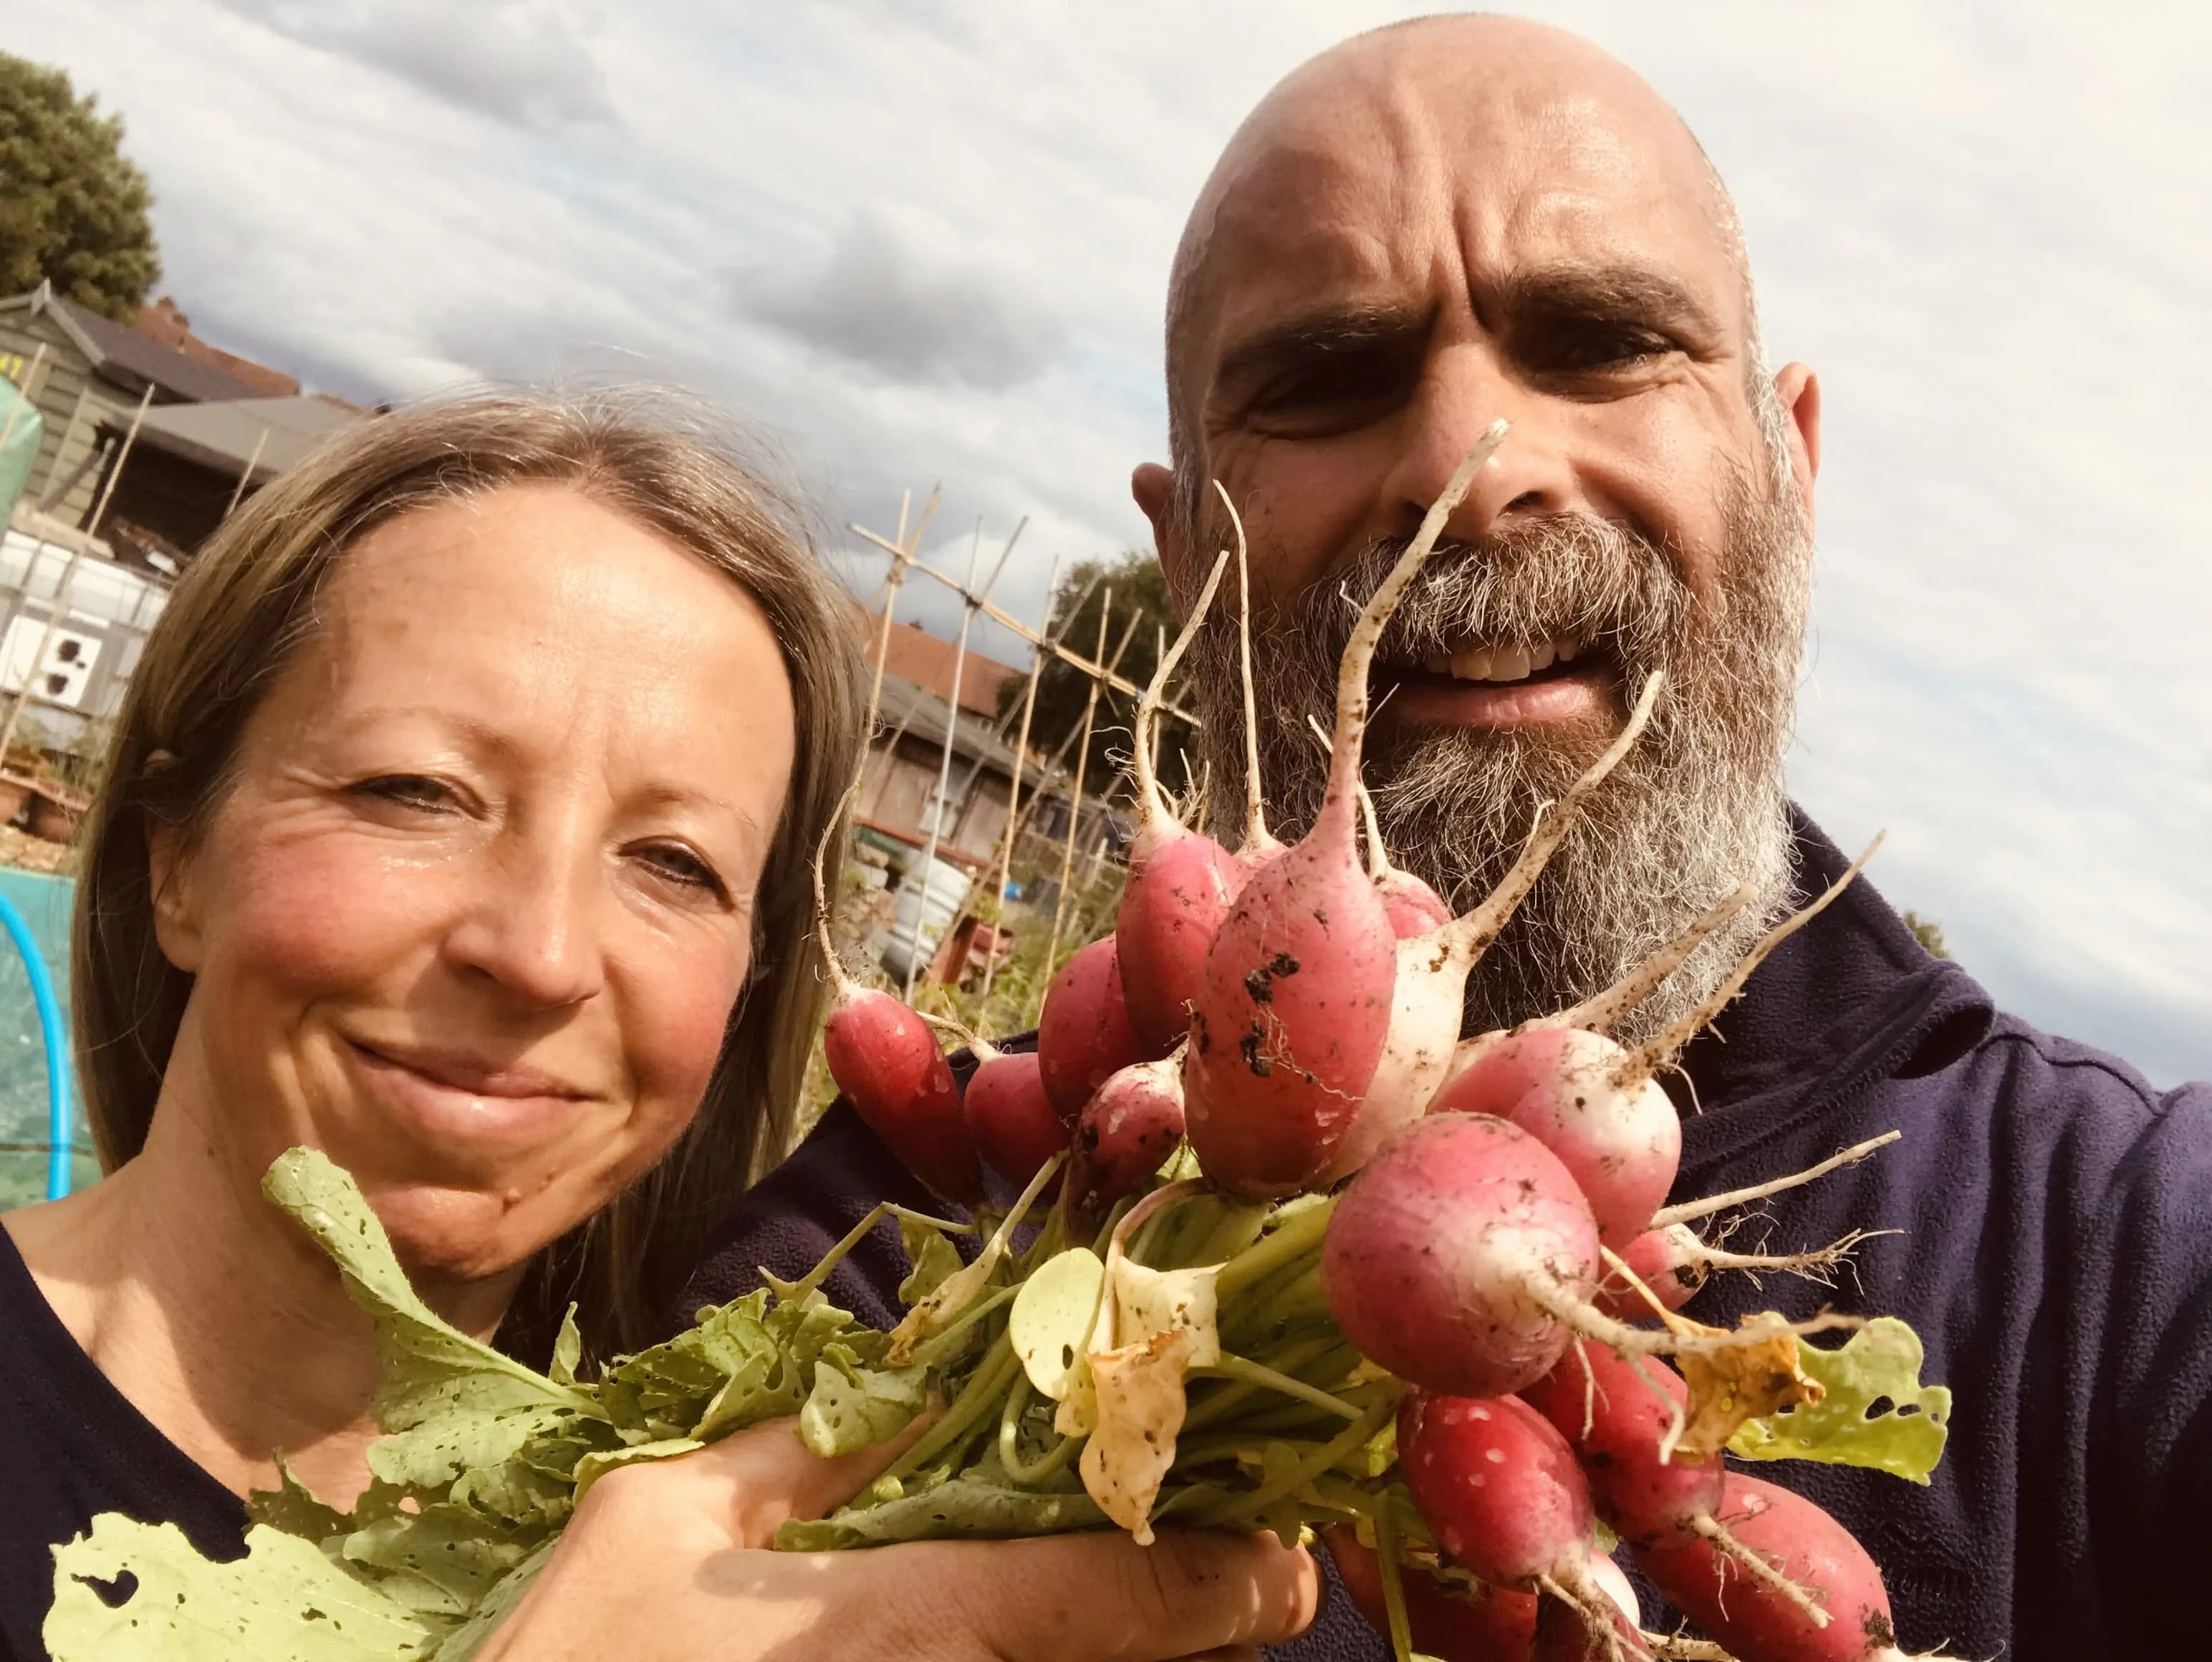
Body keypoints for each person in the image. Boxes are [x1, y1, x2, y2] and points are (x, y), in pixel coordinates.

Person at [681, 17, 2212, 1660]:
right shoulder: (881, 1259)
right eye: (1328, 376)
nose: (1465, 472)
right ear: (1183, 540)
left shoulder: (2127, 1255)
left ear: (1790, 469)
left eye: (1600, 341)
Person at [0, 390, 1318, 1662]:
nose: (539, 954)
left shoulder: (762, 1524)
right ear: (176, 859)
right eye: (415, 791)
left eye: (676, 864)